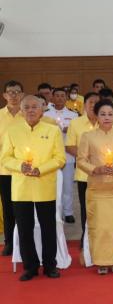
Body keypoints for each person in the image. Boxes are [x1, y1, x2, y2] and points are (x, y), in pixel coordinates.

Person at [1, 95, 65, 281]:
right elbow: (4, 158)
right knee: (24, 228)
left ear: (42, 109)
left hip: (44, 184)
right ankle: (30, 266)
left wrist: (41, 170)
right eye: (26, 107)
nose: (30, 110)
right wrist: (19, 166)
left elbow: (60, 158)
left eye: (34, 107)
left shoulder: (52, 130)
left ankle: (50, 265)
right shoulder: (12, 130)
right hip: (21, 186)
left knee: (48, 227)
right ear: (21, 111)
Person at [77, 100, 113, 274]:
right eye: (103, 114)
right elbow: (81, 160)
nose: (107, 117)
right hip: (97, 188)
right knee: (99, 225)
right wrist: (95, 169)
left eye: (110, 114)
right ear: (96, 116)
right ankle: (101, 260)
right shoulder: (88, 136)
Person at [65, 92, 100, 248]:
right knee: (86, 208)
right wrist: (87, 155)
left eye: (96, 102)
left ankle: (102, 238)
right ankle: (86, 239)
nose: (93, 105)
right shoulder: (76, 123)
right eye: (90, 102)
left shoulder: (107, 121)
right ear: (84, 105)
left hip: (104, 173)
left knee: (103, 207)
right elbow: (70, 146)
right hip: (84, 174)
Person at [44, 88, 78, 223]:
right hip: (50, 156)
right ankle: (54, 212)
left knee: (67, 185)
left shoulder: (74, 115)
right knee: (52, 185)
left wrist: (67, 131)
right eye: (56, 96)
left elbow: (76, 134)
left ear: (66, 98)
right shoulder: (46, 114)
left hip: (67, 155)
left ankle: (68, 212)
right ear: (52, 97)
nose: (59, 98)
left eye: (62, 96)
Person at [0, 80, 25, 256]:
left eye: (17, 92)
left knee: (23, 208)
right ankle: (9, 242)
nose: (13, 95)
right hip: (5, 170)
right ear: (4, 95)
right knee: (8, 207)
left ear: (22, 95)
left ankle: (24, 242)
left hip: (26, 170)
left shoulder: (29, 114)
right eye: (10, 92)